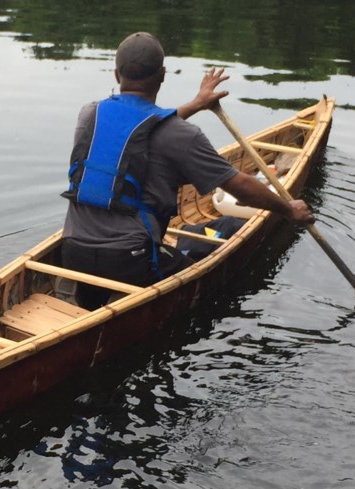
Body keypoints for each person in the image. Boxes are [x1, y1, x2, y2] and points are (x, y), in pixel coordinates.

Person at [60, 32, 315, 310]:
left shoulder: (89, 115)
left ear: (116, 73)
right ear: (163, 75)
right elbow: (239, 186)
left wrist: (195, 104)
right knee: (221, 235)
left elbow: (138, 130)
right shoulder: (183, 136)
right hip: (130, 261)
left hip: (73, 252)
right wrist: (289, 210)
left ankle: (91, 297)